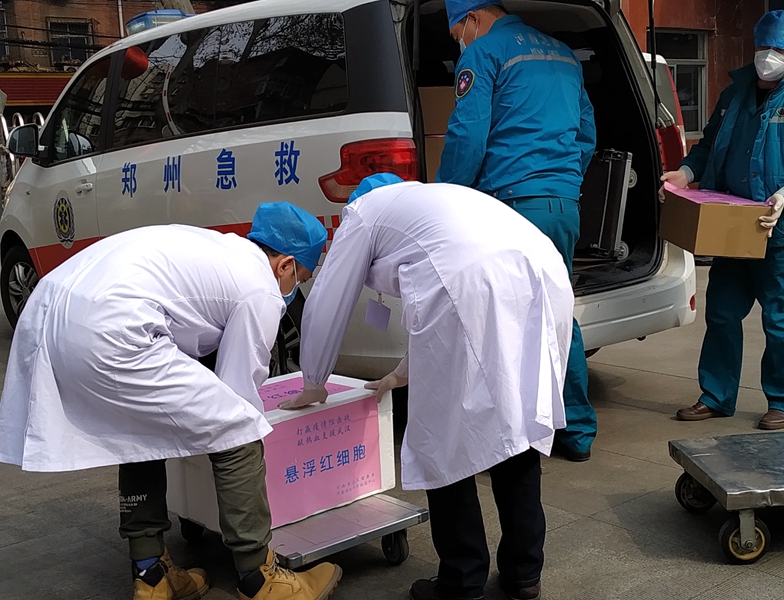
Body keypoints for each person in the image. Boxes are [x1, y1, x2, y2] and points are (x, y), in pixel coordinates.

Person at [0, 204, 342, 600]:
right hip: (113, 326)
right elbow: (238, 389)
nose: (295, 287)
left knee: (142, 428)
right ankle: (260, 577)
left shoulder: (221, 251)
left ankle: (151, 575)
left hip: (50, 310)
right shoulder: (260, 287)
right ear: (285, 265)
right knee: (238, 428)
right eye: (301, 277)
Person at [279, 174, 574, 600]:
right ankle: (524, 574)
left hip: (473, 281)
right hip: (543, 272)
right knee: (520, 424)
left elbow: (329, 297)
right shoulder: (432, 201)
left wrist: (312, 379)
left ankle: (462, 579)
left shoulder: (363, 212)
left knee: (440, 436)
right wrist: (400, 375)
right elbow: (441, 301)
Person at [435, 0, 598, 461]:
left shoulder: (483, 53)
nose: (460, 42)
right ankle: (577, 431)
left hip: (511, 207)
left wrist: (445, 198)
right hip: (562, 205)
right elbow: (586, 134)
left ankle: (511, 437)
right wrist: (561, 180)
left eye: (457, 33)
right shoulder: (563, 54)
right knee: (557, 313)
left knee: (505, 322)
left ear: (472, 18)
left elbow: (468, 135)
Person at [663, 10, 784, 431]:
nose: (767, 56)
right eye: (763, 47)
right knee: (722, 313)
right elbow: (708, 144)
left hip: (779, 229)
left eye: (778, 49)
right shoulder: (735, 91)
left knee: (780, 319)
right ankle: (716, 396)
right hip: (732, 225)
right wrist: (685, 172)